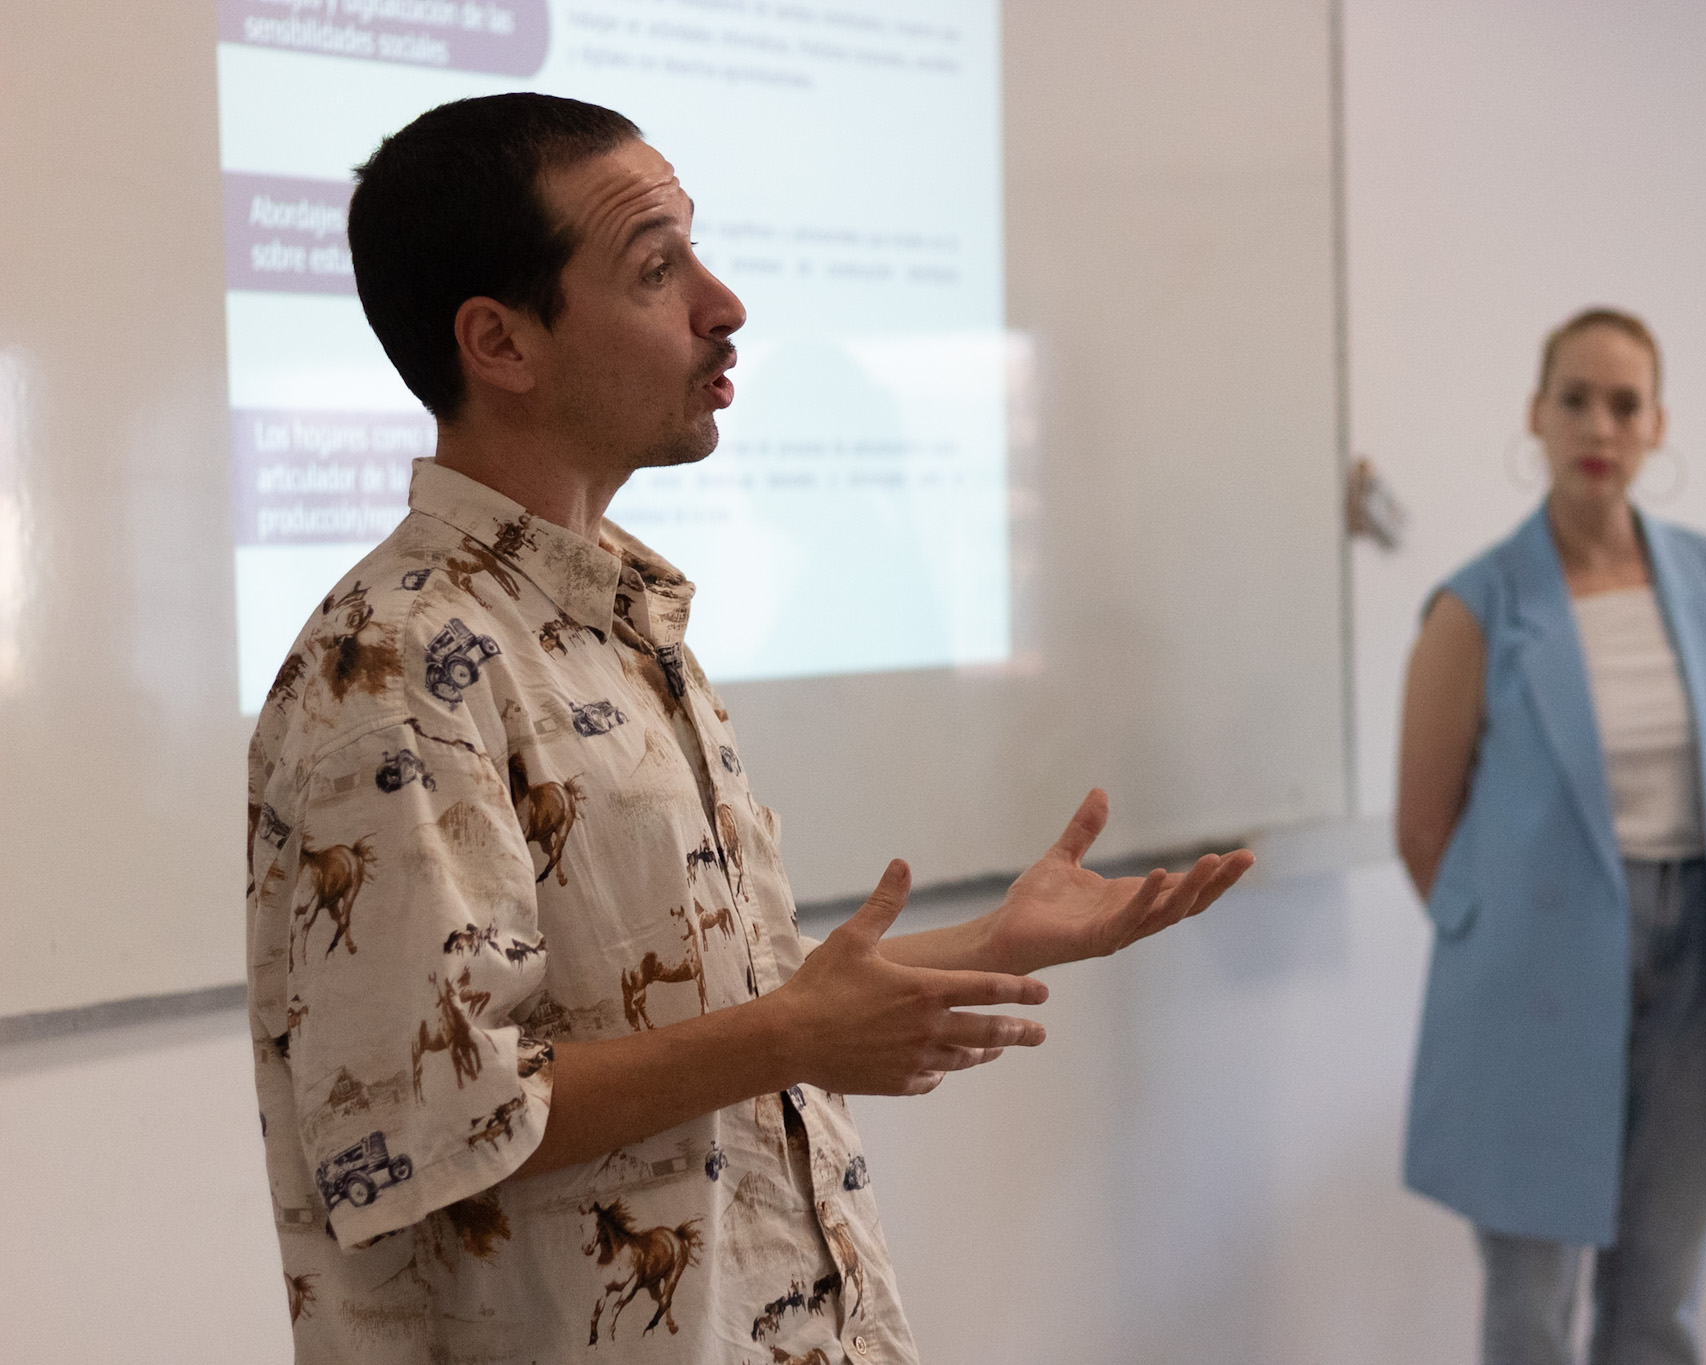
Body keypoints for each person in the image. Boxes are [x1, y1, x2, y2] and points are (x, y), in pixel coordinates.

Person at [246, 92, 1253, 1364]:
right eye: (655, 267)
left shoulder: (617, 618)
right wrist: (793, 1036)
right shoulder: (395, 665)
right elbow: (430, 1113)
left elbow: (719, 1004)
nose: (721, 304)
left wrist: (987, 940)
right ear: (500, 342)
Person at [1394, 308, 1706, 1364]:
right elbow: (1423, 826)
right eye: (1574, 399)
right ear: (1535, 413)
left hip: (1697, 958)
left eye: (1625, 405)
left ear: (1657, 424)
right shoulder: (1476, 605)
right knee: (1531, 1298)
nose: (1599, 426)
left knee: (1659, 1293)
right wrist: (1506, 942)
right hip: (1535, 965)